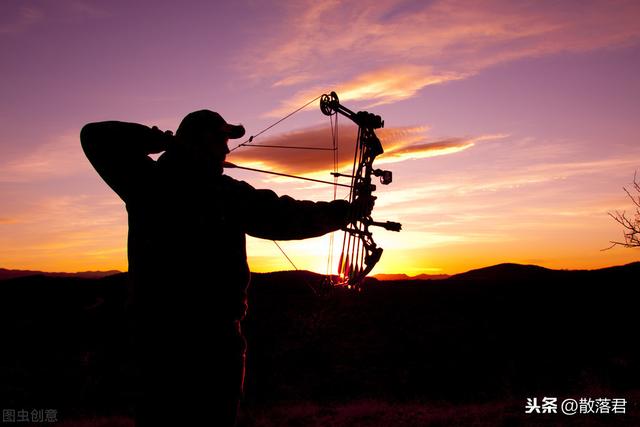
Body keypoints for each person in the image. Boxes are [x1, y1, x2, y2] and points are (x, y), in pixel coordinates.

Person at [80, 110, 365, 426]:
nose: (227, 150)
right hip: (210, 342)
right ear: (202, 142)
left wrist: (162, 142)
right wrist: (346, 212)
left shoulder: (146, 181)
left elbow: (96, 137)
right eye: (221, 140)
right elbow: (284, 216)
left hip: (154, 339)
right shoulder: (217, 193)